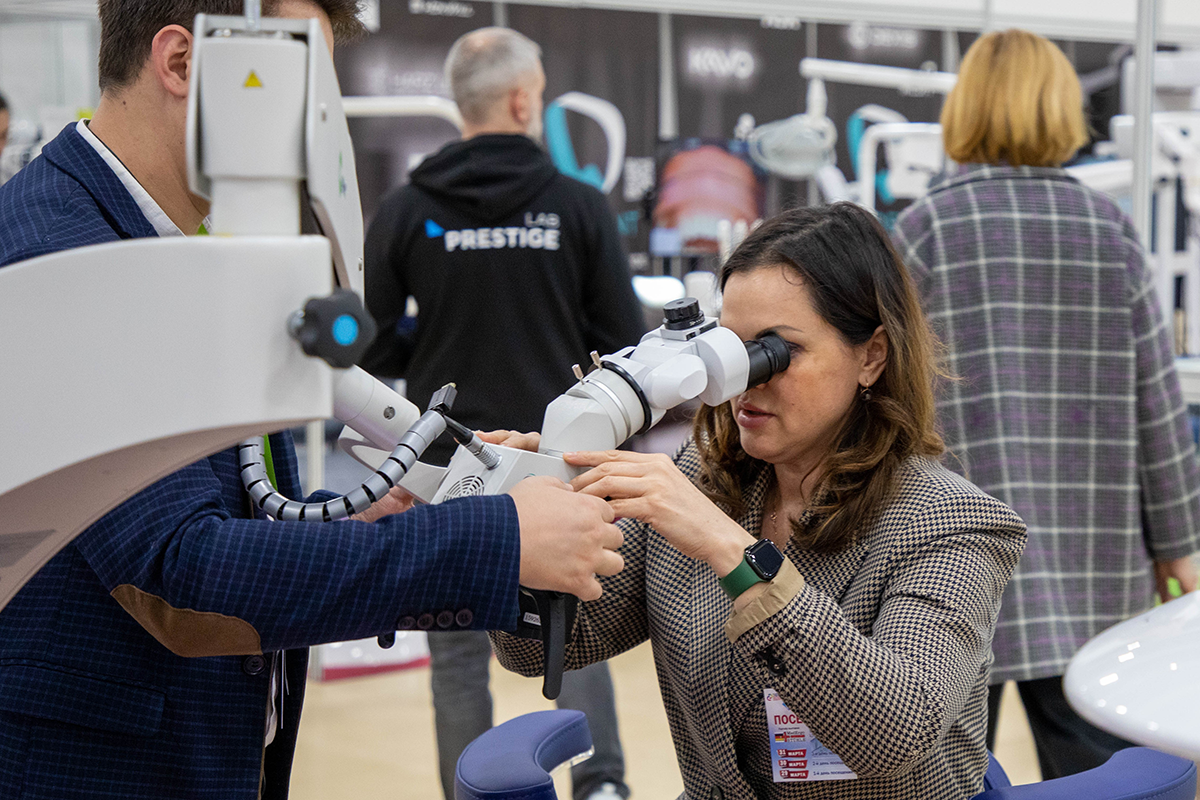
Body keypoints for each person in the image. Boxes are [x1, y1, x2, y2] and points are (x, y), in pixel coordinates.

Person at [0, 3, 625, 799]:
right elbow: (177, 577)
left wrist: (365, 518)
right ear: (183, 62)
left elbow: (207, 509)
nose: (316, 123)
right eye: (304, 82)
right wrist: (492, 539)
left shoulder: (162, 245)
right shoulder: (66, 260)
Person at [490, 203, 1028, 800]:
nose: (743, 380)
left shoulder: (953, 524)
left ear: (871, 356)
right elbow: (547, 648)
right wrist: (527, 522)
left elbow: (895, 734)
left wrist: (731, 551)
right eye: (731, 351)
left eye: (776, 351)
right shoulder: (701, 479)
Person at [891, 29, 1200, 780]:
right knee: (1103, 783)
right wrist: (1178, 546)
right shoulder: (1110, 229)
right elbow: (1157, 405)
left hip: (949, 570)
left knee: (943, 779)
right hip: (1093, 573)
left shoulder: (922, 233)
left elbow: (886, 403)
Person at [360, 27, 643, 800]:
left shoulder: (406, 209)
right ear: (522, 101)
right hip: (559, 462)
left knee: (455, 646)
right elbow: (622, 341)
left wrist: (434, 335)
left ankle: (471, 791)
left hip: (445, 463)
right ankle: (602, 787)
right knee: (574, 624)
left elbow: (373, 344)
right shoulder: (578, 206)